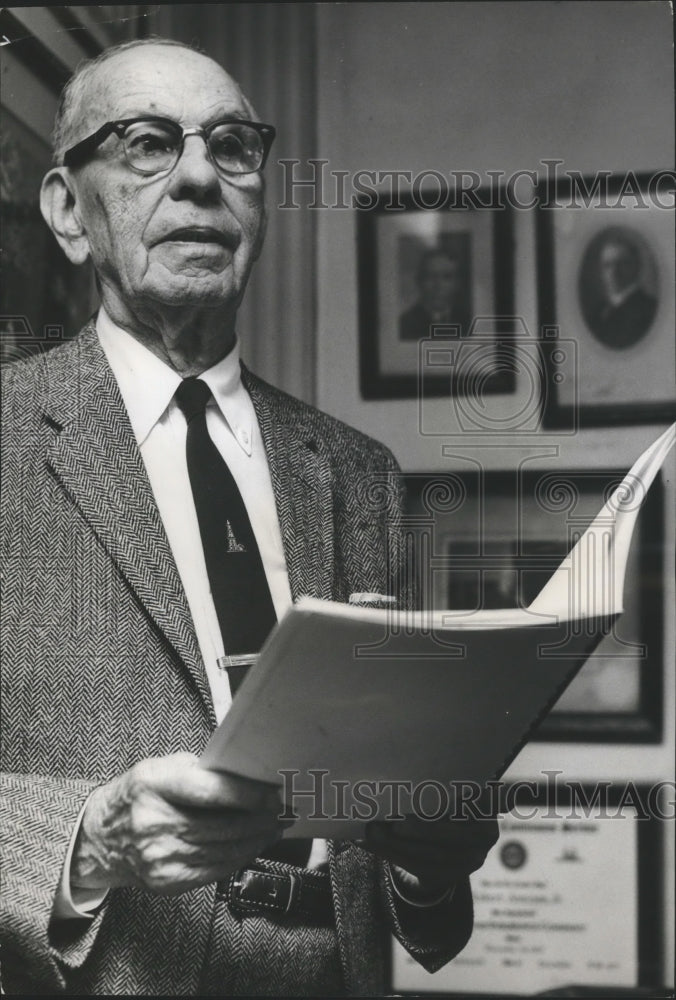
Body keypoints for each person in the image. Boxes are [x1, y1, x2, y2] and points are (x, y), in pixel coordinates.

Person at [0, 38, 498, 996]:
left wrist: (431, 858)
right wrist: (87, 839)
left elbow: (408, 869)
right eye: (148, 143)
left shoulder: (357, 473)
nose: (198, 177)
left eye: (232, 146)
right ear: (68, 209)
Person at [588, 233, 657, 348]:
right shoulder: (598, 312)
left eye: (622, 264)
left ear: (636, 267)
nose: (613, 272)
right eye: (607, 265)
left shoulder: (649, 310)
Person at [399, 247, 471, 340]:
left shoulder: (468, 322)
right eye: (431, 276)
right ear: (419, 281)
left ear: (457, 283)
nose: (438, 285)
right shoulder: (404, 325)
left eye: (446, 277)